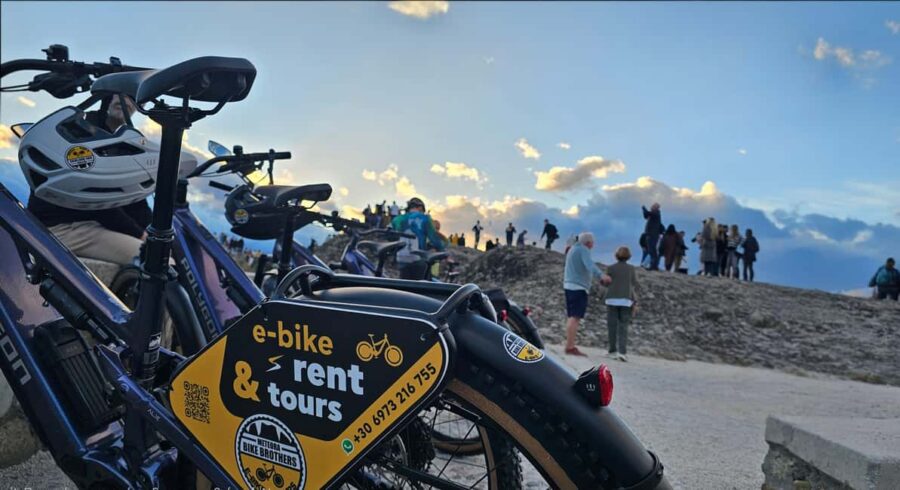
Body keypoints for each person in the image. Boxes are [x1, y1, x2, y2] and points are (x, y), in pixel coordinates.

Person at [24, 94, 152, 270]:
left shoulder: (123, 141)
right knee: (159, 263)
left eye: (134, 99)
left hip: (88, 224)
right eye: (121, 94)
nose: (126, 101)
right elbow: (99, 203)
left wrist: (154, 230)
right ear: (108, 95)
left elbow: (135, 201)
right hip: (59, 227)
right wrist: (140, 234)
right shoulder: (80, 129)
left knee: (161, 251)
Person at [563, 232, 611, 356]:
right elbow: (590, 265)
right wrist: (602, 276)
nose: (593, 245)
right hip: (578, 287)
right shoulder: (583, 250)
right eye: (592, 242)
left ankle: (569, 345)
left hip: (569, 285)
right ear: (589, 243)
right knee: (575, 317)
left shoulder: (573, 249)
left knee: (571, 317)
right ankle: (570, 347)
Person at [390, 197, 445, 280]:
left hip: (402, 258)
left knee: (405, 285)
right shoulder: (424, 218)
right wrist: (442, 250)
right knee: (421, 284)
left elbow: (390, 236)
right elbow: (434, 238)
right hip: (418, 258)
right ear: (420, 207)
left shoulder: (397, 219)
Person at [605, 246, 639, 362]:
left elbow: (606, 283)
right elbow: (634, 283)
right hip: (626, 299)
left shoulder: (610, 268)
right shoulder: (631, 269)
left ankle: (612, 350)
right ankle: (622, 352)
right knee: (623, 326)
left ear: (616, 255)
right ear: (628, 256)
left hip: (612, 298)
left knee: (612, 325)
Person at [641, 203, 663, 270]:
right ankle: (654, 266)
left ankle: (653, 266)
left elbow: (647, 213)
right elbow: (646, 216)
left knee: (652, 251)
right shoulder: (654, 213)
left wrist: (644, 208)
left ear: (656, 207)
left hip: (652, 235)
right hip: (651, 234)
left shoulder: (656, 213)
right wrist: (644, 210)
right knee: (652, 251)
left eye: (653, 206)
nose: (651, 207)